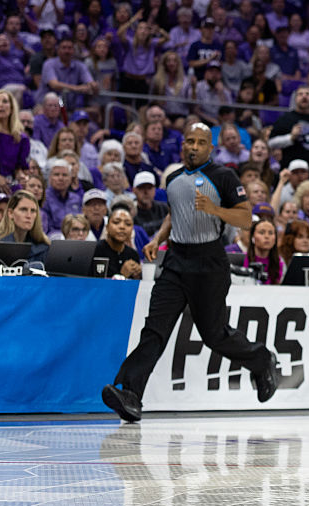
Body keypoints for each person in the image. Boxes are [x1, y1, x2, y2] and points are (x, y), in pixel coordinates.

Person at [101, 123, 280, 423]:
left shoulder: (224, 177)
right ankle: (130, 394)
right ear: (183, 145)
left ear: (210, 148)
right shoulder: (171, 179)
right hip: (175, 261)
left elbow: (246, 217)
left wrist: (215, 209)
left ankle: (262, 360)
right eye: (189, 141)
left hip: (209, 263)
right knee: (154, 330)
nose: (194, 147)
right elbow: (175, 212)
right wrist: (158, 238)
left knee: (214, 335)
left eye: (201, 142)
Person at [269, 86, 309, 183]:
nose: (304, 96)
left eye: (308, 94)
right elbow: (271, 143)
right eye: (300, 94)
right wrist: (290, 138)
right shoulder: (286, 119)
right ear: (295, 99)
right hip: (290, 175)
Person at [0, 90, 31, 196]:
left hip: (8, 188)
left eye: (5, 101)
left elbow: (20, 167)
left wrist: (21, 176)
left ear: (12, 108)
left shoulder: (21, 138)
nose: (1, 105)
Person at [0, 190, 50, 265]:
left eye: (33, 211)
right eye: (23, 209)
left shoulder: (43, 246)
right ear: (10, 213)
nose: (29, 215)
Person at [93, 205, 142, 279]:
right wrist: (122, 275)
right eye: (116, 222)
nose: (122, 227)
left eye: (128, 224)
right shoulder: (95, 250)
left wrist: (138, 275)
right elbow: (94, 284)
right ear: (107, 227)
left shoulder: (133, 255)